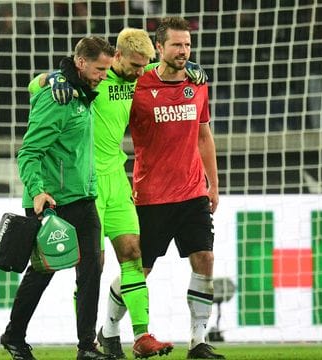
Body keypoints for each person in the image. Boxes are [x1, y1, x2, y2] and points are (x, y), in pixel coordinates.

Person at [29, 28, 209, 359]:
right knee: (91, 266)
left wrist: (189, 69)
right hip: (86, 184)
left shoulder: (136, 81)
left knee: (132, 255)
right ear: (118, 57)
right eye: (136, 65)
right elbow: (37, 84)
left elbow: (164, 74)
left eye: (145, 66)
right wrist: (48, 79)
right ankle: (89, 343)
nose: (141, 72)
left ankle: (141, 335)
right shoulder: (91, 81)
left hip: (117, 179)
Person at [0, 36, 116, 360]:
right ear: (81, 63)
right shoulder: (58, 98)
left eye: (107, 69)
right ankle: (13, 336)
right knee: (42, 273)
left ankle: (86, 347)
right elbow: (28, 153)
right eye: (100, 69)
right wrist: (37, 191)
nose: (105, 75)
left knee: (92, 269)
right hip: (51, 202)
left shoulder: (80, 93)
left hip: (84, 199)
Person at [127, 17, 224, 359]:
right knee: (139, 270)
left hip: (192, 192)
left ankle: (198, 342)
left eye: (187, 45)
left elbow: (203, 135)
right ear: (158, 48)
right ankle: (108, 332)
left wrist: (213, 184)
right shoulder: (137, 85)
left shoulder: (197, 83)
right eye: (176, 45)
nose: (183, 51)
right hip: (151, 194)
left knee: (205, 258)